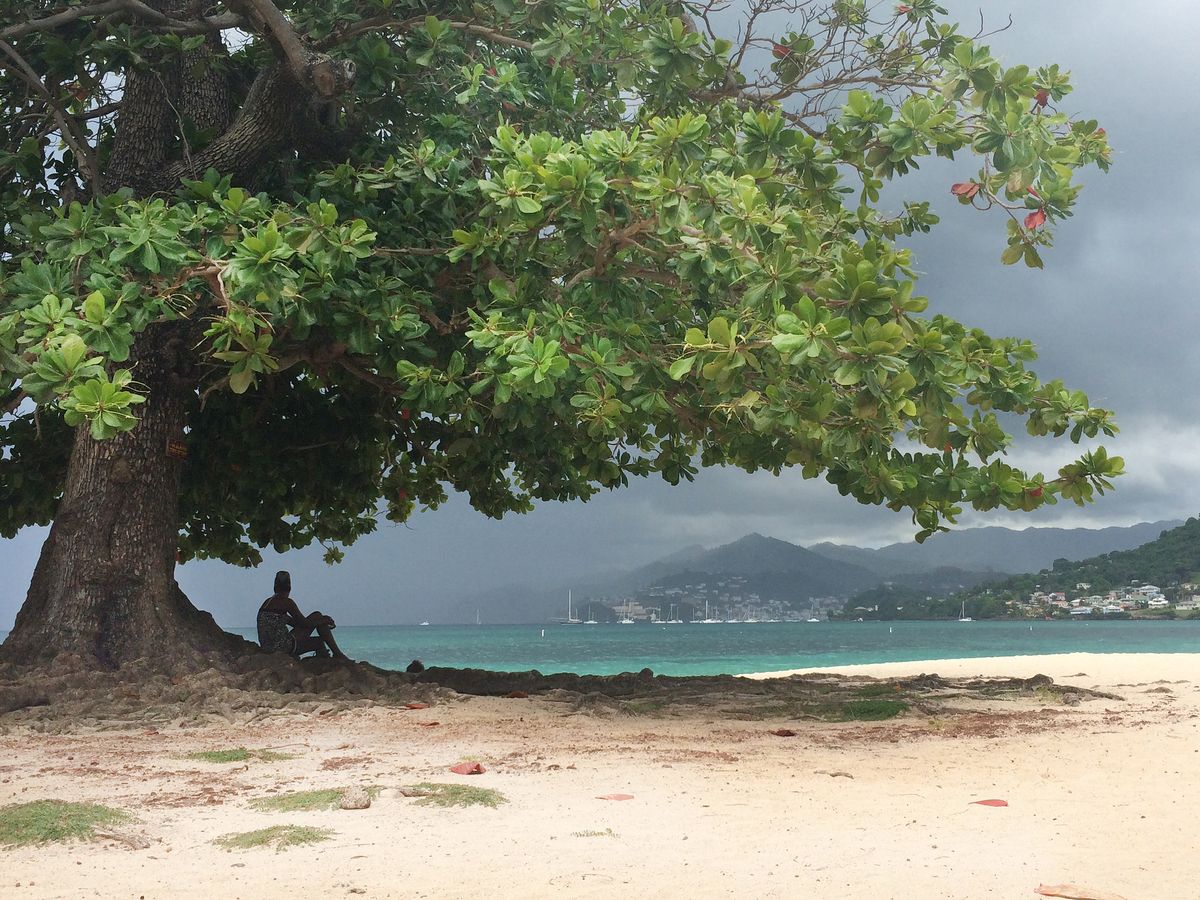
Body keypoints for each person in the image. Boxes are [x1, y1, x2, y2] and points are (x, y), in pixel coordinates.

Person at [257, 570, 349, 660]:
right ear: (289, 587)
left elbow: (295, 623)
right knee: (319, 640)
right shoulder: (286, 602)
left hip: (267, 647)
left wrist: (320, 620)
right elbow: (304, 624)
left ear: (275, 587)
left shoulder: (267, 603)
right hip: (281, 647)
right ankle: (336, 655)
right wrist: (324, 620)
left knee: (317, 615)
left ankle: (328, 655)